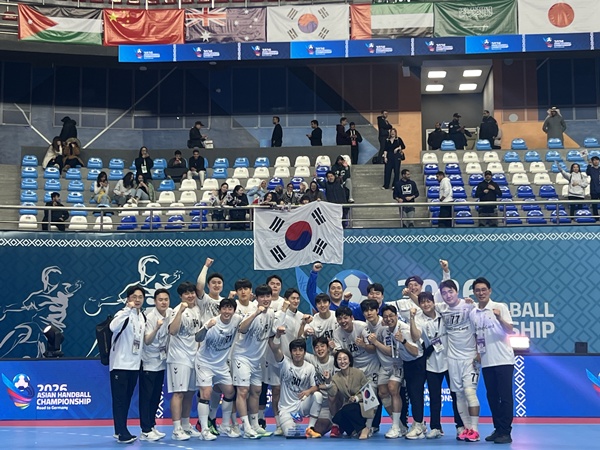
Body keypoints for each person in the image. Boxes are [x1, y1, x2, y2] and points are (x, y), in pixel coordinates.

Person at [231, 284, 282, 439]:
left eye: (268, 296)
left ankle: (255, 425)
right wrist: (255, 314)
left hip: (257, 360)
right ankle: (246, 426)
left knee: (256, 391)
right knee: (243, 391)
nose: (265, 299)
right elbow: (242, 328)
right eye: (262, 297)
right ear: (257, 298)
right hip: (242, 357)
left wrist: (278, 334)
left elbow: (271, 334)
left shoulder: (271, 314)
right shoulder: (251, 311)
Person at [415, 291, 467, 440]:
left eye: (428, 301)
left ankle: (460, 426)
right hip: (431, 363)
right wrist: (411, 318)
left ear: (433, 302)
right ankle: (436, 427)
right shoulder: (419, 319)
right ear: (419, 305)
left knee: (456, 395)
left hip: (450, 360)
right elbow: (416, 335)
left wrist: (468, 303)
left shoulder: (443, 312)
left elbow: (454, 301)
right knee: (434, 397)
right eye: (422, 302)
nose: (426, 304)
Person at [469, 277, 515, 445]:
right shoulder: (473, 313)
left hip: (503, 359)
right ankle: (498, 429)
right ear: (474, 293)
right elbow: (476, 335)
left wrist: (499, 318)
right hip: (487, 361)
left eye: (484, 290)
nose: (481, 293)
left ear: (490, 291)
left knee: (505, 397)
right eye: (477, 290)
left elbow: (510, 330)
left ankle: (506, 431)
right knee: (492, 397)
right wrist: (477, 353)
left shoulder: (500, 307)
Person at [194, 298, 242, 440]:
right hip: (205, 363)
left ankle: (225, 425)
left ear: (234, 311)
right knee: (206, 394)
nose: (227, 311)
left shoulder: (237, 319)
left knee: (229, 392)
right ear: (220, 310)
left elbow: (247, 322)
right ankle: (204, 430)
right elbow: (198, 338)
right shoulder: (212, 322)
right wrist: (206, 327)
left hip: (221, 365)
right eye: (224, 308)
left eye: (230, 309)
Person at [437, 280, 479, 442]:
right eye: (444, 293)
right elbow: (424, 305)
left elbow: (481, 324)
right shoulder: (442, 308)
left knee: (469, 392)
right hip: (452, 359)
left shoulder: (469, 306)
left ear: (457, 291)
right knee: (459, 395)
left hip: (470, 358)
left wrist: (479, 352)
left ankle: (475, 429)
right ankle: (467, 429)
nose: (448, 295)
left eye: (450, 292)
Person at [109, 285, 147, 444]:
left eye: (140, 297)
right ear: (128, 299)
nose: (137, 300)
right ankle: (122, 432)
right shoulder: (122, 313)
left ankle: (119, 430)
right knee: (119, 400)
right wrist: (127, 309)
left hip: (134, 365)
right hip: (120, 365)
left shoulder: (142, 316)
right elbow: (113, 327)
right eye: (134, 297)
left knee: (126, 399)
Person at [167, 282, 203, 441]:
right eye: (186, 293)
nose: (190, 295)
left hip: (194, 357)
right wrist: (180, 311)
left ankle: (186, 425)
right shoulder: (177, 310)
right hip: (179, 357)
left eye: (192, 292)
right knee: (179, 393)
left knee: (190, 393)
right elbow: (172, 331)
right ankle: (176, 429)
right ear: (181, 296)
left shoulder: (197, 309)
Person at [268, 334, 323, 438]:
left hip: (300, 405)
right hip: (286, 410)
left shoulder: (310, 367)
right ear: (291, 352)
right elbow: (275, 350)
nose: (297, 353)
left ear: (305, 352)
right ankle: (292, 424)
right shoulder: (284, 363)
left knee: (318, 396)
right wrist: (276, 335)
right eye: (294, 350)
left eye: (300, 350)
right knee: (291, 433)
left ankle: (310, 428)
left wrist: (308, 391)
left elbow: (316, 386)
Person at [367, 304, 405, 438]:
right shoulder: (382, 329)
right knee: (382, 392)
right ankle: (400, 426)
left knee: (393, 388)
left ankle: (395, 426)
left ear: (396, 316)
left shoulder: (401, 330)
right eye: (386, 317)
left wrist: (376, 342)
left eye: (391, 316)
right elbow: (372, 343)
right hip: (384, 367)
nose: (388, 319)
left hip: (397, 365)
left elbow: (391, 352)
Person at [139, 288, 171, 442]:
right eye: (160, 300)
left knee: (156, 396)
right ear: (154, 301)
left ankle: (151, 426)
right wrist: (157, 327)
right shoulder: (150, 317)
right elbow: (147, 340)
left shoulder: (170, 313)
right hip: (149, 362)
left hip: (161, 361)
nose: (163, 302)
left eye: (166, 299)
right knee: (147, 397)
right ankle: (145, 430)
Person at [323, 349, 373, 439]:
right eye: (339, 359)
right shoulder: (335, 377)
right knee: (336, 418)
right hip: (348, 405)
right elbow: (333, 392)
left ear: (349, 361)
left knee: (348, 409)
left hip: (362, 404)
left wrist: (356, 398)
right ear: (336, 362)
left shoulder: (359, 373)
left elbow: (368, 392)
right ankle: (353, 431)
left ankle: (364, 428)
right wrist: (328, 381)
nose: (342, 362)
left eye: (345, 359)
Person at [586, 154, 600, 219]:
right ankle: (596, 217)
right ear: (592, 161)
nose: (596, 161)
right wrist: (589, 164)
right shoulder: (591, 169)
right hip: (594, 189)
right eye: (594, 160)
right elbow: (587, 172)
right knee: (594, 205)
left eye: (597, 160)